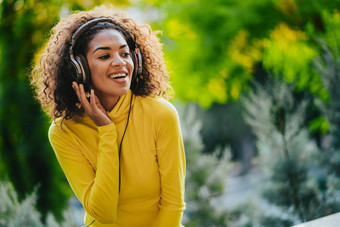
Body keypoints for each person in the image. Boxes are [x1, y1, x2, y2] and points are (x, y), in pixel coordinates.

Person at [30, 5, 186, 227]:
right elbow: (102, 212)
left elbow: (173, 204)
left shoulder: (160, 114)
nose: (120, 62)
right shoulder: (64, 132)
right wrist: (106, 130)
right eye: (104, 56)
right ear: (79, 69)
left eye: (125, 53)